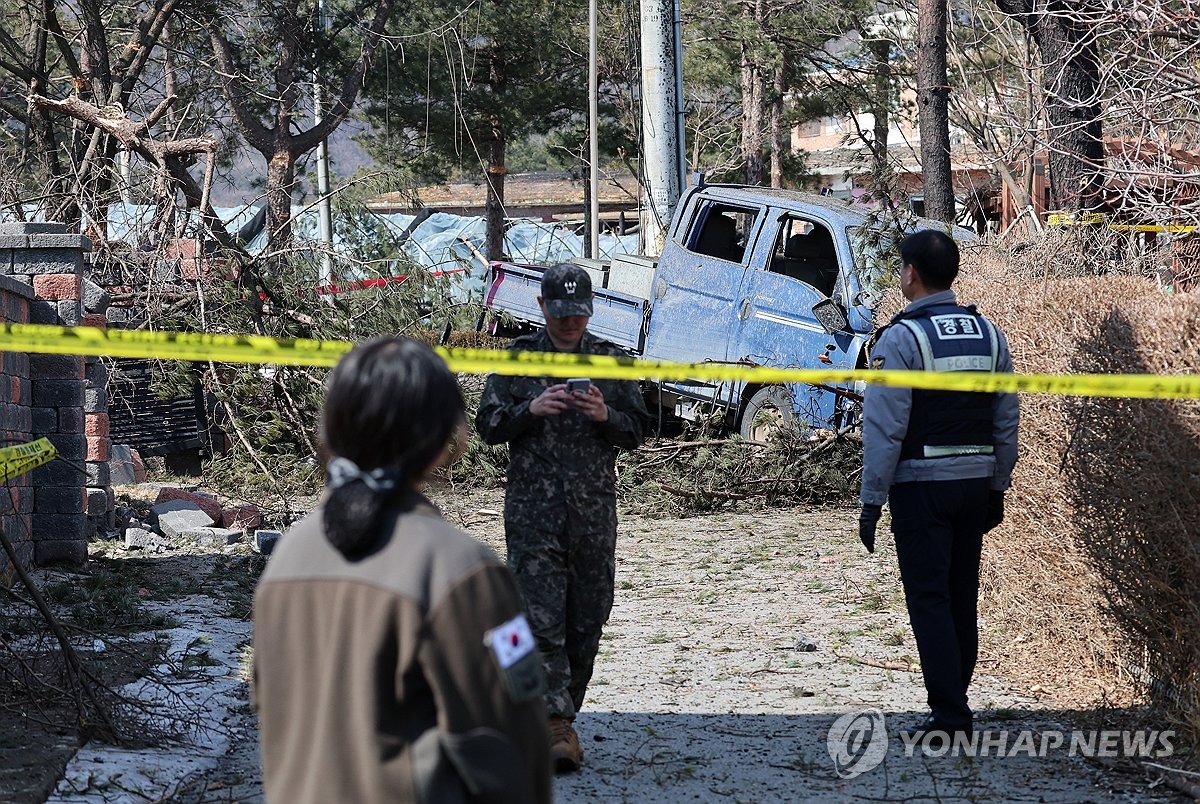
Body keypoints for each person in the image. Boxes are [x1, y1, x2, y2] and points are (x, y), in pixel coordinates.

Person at [253, 336, 551, 804]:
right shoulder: (463, 571)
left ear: (331, 430)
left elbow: (271, 709)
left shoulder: (287, 558)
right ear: (442, 440)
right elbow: (512, 751)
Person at [476, 263, 651, 773]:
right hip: (533, 513)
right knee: (540, 618)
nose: (571, 322)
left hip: (593, 514)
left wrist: (606, 416)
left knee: (589, 616)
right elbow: (487, 425)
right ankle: (553, 724)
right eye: (561, 312)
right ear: (542, 307)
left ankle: (559, 713)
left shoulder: (612, 361)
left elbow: (639, 428)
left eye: (579, 313)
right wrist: (531, 408)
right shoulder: (519, 359)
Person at [858, 230, 1019, 742]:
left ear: (910, 273)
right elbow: (1006, 416)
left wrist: (871, 499)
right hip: (975, 485)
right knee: (960, 597)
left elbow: (886, 427)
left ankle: (950, 716)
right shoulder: (989, 334)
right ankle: (955, 700)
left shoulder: (901, 339)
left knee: (928, 599)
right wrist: (998, 484)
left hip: (922, 487)